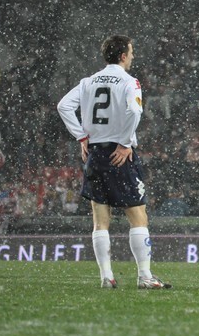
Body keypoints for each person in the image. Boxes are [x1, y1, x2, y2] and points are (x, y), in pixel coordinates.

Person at [57, 35, 171, 290]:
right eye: (131, 52)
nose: (133, 56)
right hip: (119, 154)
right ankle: (145, 276)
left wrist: (82, 137)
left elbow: (63, 106)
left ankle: (106, 277)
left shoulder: (88, 82)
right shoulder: (129, 81)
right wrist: (125, 142)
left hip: (95, 153)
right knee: (138, 216)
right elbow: (135, 111)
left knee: (100, 219)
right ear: (122, 56)